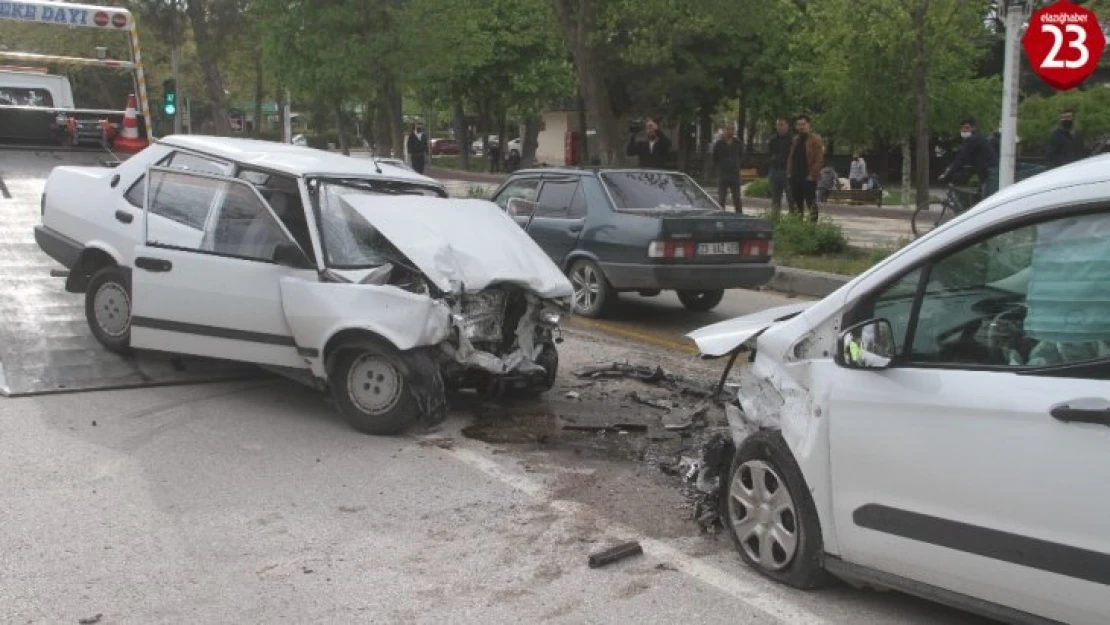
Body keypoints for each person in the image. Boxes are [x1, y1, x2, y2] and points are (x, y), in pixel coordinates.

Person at [939, 117, 997, 200]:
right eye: (962, 128)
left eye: (967, 127)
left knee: (986, 202)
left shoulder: (973, 139)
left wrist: (947, 175)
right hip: (987, 174)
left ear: (973, 128)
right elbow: (965, 159)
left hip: (989, 175)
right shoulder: (977, 137)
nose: (964, 130)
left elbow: (961, 159)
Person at [786, 115, 824, 222]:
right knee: (797, 205)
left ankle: (812, 228)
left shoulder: (815, 140)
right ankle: (798, 228)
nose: (801, 127)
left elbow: (819, 159)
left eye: (803, 124)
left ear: (809, 125)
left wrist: (812, 175)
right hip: (795, 177)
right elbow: (791, 156)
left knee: (811, 204)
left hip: (808, 177)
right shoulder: (795, 140)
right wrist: (789, 172)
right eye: (799, 125)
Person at [712, 122, 743, 213]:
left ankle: (739, 216)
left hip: (735, 175)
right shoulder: (719, 144)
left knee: (737, 198)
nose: (730, 131)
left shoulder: (738, 143)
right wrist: (721, 166)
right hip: (723, 174)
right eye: (728, 129)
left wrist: (736, 164)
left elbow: (741, 156)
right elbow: (715, 158)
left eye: (732, 129)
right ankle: (721, 216)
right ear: (724, 130)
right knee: (721, 199)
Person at [767, 116, 794, 214]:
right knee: (775, 199)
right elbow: (770, 153)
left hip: (788, 172)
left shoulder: (792, 139)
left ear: (787, 125)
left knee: (791, 198)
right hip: (775, 170)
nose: (780, 127)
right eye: (778, 125)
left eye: (782, 124)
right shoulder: (773, 139)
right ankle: (775, 220)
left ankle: (794, 220)